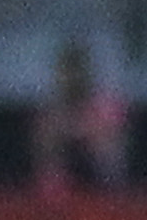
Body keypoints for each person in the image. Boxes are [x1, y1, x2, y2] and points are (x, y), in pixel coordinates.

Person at [31, 40, 131, 197]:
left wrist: (83, 132)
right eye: (66, 72)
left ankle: (108, 193)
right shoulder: (52, 110)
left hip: (101, 177)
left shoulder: (105, 104)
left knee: (105, 141)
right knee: (49, 132)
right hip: (65, 182)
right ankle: (55, 193)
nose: (71, 78)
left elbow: (111, 141)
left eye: (76, 71)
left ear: (87, 72)